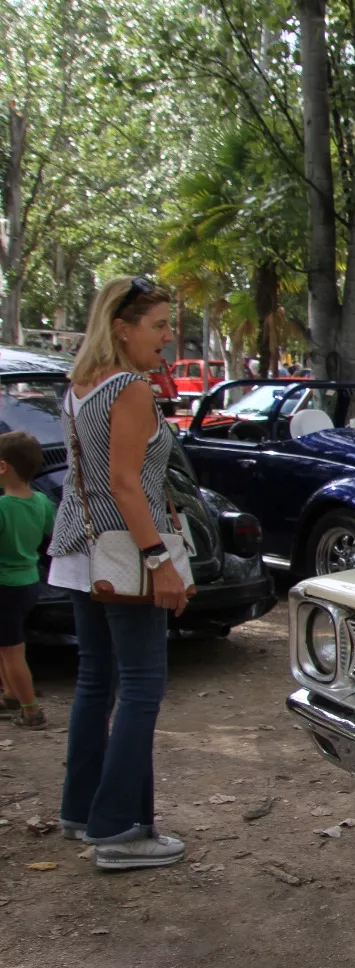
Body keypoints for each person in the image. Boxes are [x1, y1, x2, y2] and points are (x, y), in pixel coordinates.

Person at [51, 276, 191, 870]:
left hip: (80, 551)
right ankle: (121, 829)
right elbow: (126, 485)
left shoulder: (80, 385)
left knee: (95, 681)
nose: (168, 335)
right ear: (122, 328)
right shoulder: (130, 389)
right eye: (158, 324)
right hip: (126, 555)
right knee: (140, 686)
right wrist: (159, 560)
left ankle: (82, 810)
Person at [0, 431, 55, 729]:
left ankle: (31, 710)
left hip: (4, 585)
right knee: (6, 644)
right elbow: (52, 535)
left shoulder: (2, 508)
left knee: (12, 650)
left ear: (3, 467)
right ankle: (9, 695)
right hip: (29, 582)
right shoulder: (43, 502)